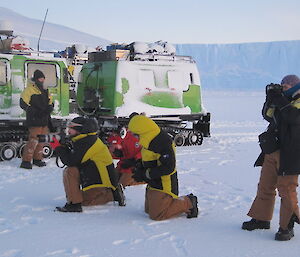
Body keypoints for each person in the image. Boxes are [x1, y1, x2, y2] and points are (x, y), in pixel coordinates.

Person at [242, 75, 300, 241]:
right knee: (265, 186)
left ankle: (286, 226)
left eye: (287, 84)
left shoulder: (295, 100)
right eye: (282, 85)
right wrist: (270, 99)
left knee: (286, 189)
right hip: (272, 150)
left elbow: (294, 118)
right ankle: (261, 218)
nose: (284, 87)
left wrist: (280, 99)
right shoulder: (284, 99)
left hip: (291, 153)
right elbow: (268, 116)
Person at [128, 114, 198, 220]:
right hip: (154, 182)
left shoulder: (163, 142)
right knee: (148, 210)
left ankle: (188, 202)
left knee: (157, 215)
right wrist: (137, 165)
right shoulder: (148, 141)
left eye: (136, 135)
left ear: (143, 132)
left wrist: (146, 174)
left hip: (165, 184)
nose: (135, 138)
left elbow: (168, 167)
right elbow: (149, 159)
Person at [52, 116, 126, 212]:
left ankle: (109, 195)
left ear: (80, 130)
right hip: (96, 182)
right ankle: (111, 192)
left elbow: (71, 161)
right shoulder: (85, 139)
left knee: (71, 173)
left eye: (71, 128)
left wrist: (58, 147)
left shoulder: (87, 142)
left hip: (100, 184)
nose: (68, 131)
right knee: (71, 172)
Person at [19, 69, 53, 169]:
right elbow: (23, 103)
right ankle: (26, 161)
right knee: (33, 140)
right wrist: (33, 111)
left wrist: (50, 107)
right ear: (36, 79)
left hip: (44, 119)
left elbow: (50, 101)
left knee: (41, 141)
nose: (42, 80)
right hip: (34, 119)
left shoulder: (46, 90)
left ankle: (38, 159)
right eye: (40, 78)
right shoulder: (29, 90)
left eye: (43, 78)